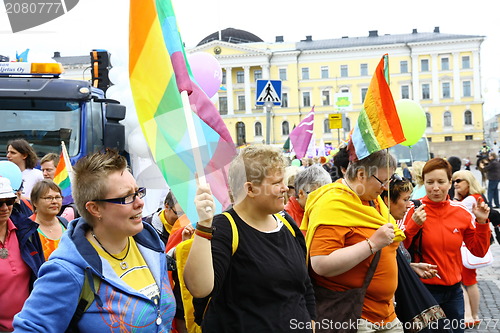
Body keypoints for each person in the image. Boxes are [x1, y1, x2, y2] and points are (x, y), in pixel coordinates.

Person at [13, 150, 176, 332]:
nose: (140, 203)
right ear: (95, 208)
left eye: (138, 192)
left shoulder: (150, 243)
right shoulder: (68, 270)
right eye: (127, 197)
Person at [184, 145, 316, 332]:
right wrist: (204, 225)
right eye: (277, 182)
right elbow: (199, 288)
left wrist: (310, 322)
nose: (285, 188)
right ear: (251, 189)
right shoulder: (224, 228)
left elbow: (304, 285)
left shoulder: (286, 223)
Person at [302, 149, 406, 332]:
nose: (386, 188)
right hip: (353, 314)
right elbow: (321, 263)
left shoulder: (372, 199)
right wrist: (371, 244)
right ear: (361, 174)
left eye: (389, 180)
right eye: (383, 181)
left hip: (387, 313)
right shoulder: (333, 203)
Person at [402, 158, 491, 333]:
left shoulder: (461, 212)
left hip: (454, 293)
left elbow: (478, 251)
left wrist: (481, 222)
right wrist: (413, 225)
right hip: (423, 291)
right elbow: (398, 251)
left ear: (450, 183)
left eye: (441, 182)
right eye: (430, 182)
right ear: (423, 183)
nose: (435, 187)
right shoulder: (413, 209)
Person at [381, 176, 448, 332]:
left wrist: (410, 267)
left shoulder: (391, 222)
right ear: (387, 200)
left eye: (409, 199)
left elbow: (395, 260)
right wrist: (413, 226)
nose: (408, 205)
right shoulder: (383, 229)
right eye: (405, 200)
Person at [0, 177, 44, 332]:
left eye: (9, 201)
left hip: (29, 325)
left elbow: (40, 276)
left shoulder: (27, 231)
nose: (5, 207)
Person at [452, 170, 487, 328]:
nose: (455, 184)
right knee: (471, 281)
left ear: (468, 182)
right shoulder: (476, 197)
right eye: (453, 181)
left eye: (459, 181)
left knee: (464, 282)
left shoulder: (468, 201)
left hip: (466, 246)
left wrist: (455, 197)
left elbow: (454, 210)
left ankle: (468, 315)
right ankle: (474, 315)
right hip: (469, 245)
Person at [29, 180, 68, 260]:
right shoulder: (27, 229)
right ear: (35, 202)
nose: (54, 202)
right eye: (48, 198)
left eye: (57, 197)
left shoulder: (66, 224)